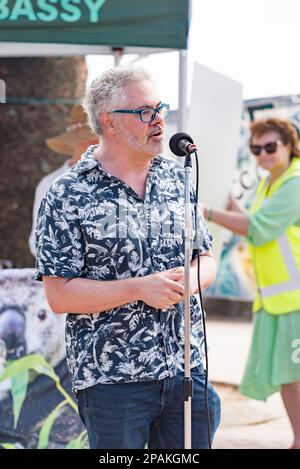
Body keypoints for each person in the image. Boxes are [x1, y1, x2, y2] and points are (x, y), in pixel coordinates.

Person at [35, 67, 221, 449]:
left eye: (160, 108)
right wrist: (139, 289)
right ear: (109, 122)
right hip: (114, 382)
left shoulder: (178, 179)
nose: (158, 120)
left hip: (187, 368)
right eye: (144, 112)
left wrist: (189, 279)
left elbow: (207, 259)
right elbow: (60, 295)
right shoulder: (67, 193)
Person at [203, 117, 300, 449]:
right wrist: (228, 203)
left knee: (295, 376)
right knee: (288, 376)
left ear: (290, 145)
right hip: (277, 298)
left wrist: (208, 212)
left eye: (271, 146)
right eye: (256, 148)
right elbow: (251, 219)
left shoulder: (295, 182)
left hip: (295, 298)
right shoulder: (269, 182)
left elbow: (259, 228)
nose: (263, 154)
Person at [28, 104, 98, 257]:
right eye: (89, 140)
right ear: (73, 143)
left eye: (100, 141)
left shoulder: (117, 181)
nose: (96, 146)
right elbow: (38, 242)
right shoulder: (50, 184)